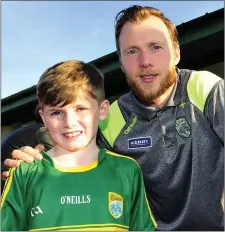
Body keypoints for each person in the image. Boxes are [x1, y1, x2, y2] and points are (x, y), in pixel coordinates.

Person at [2, 5, 224, 231]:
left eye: (156, 47)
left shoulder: (205, 90)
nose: (145, 61)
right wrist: (34, 159)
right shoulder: (113, 118)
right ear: (121, 62)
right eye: (132, 51)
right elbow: (75, 156)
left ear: (176, 52)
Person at [1, 60, 156, 231]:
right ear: (43, 118)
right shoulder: (24, 172)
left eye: (81, 109)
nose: (69, 122)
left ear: (103, 110)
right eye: (57, 112)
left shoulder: (127, 170)